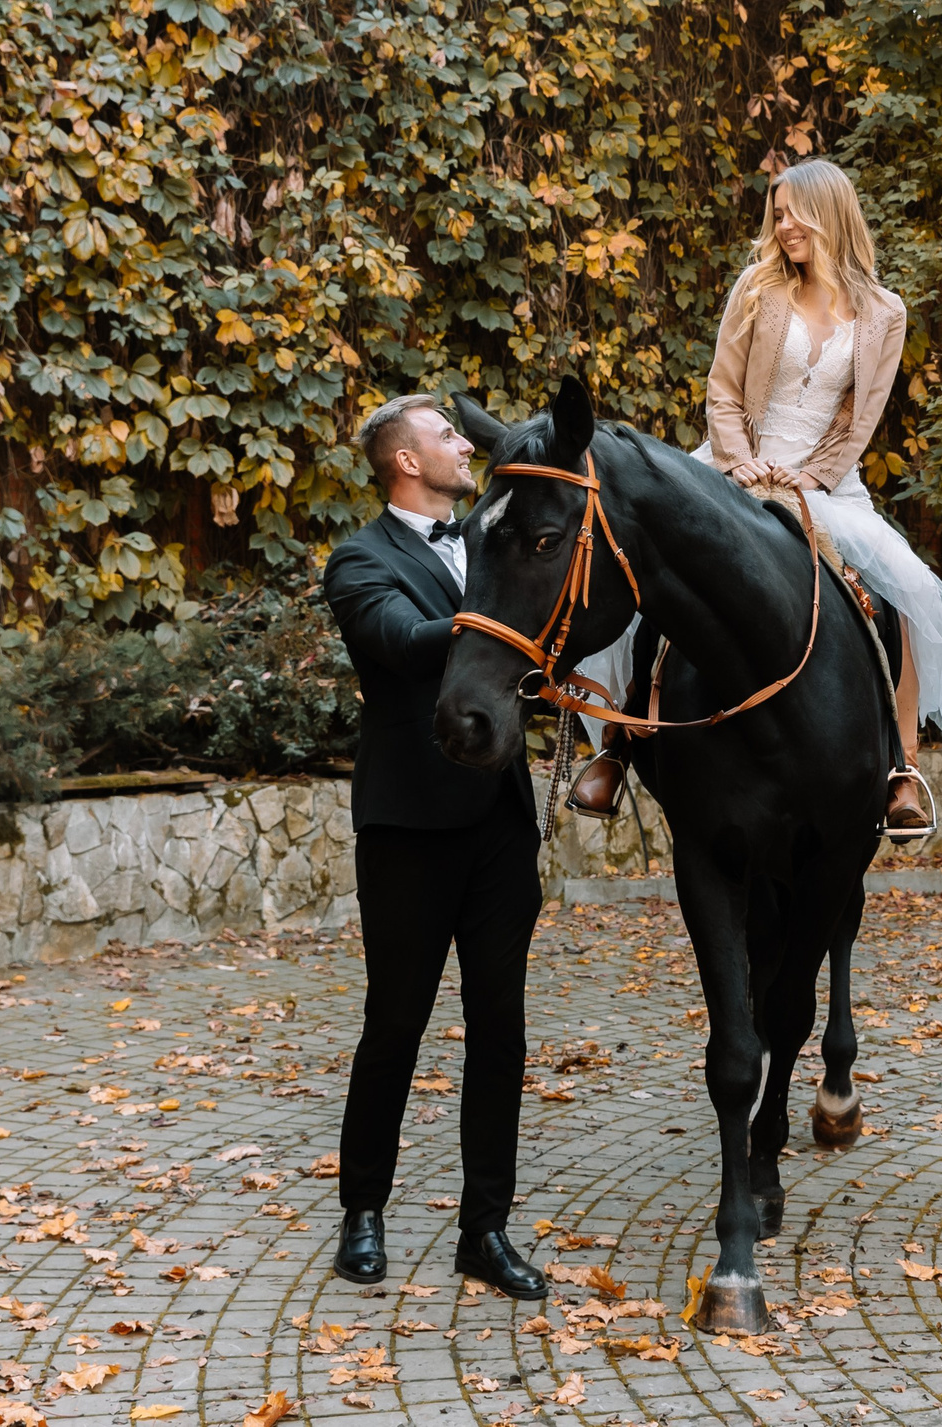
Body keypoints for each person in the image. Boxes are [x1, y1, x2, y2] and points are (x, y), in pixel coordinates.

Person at [566, 158, 942, 832]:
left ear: (830, 211)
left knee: (908, 590)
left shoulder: (884, 313)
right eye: (776, 213)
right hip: (738, 465)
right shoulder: (758, 288)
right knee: (654, 570)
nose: (782, 225)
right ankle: (617, 745)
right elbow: (722, 391)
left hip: (825, 481)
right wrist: (742, 463)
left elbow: (859, 416)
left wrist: (812, 476)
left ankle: (901, 767)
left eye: (793, 212)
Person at [320, 394, 547, 1300]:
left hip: (499, 823)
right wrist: (495, 628)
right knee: (395, 1026)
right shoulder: (358, 559)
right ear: (406, 461)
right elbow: (398, 642)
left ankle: (483, 1230)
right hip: (408, 826)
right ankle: (362, 1211)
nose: (466, 445)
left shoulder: (494, 542)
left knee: (501, 1029)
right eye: (449, 436)